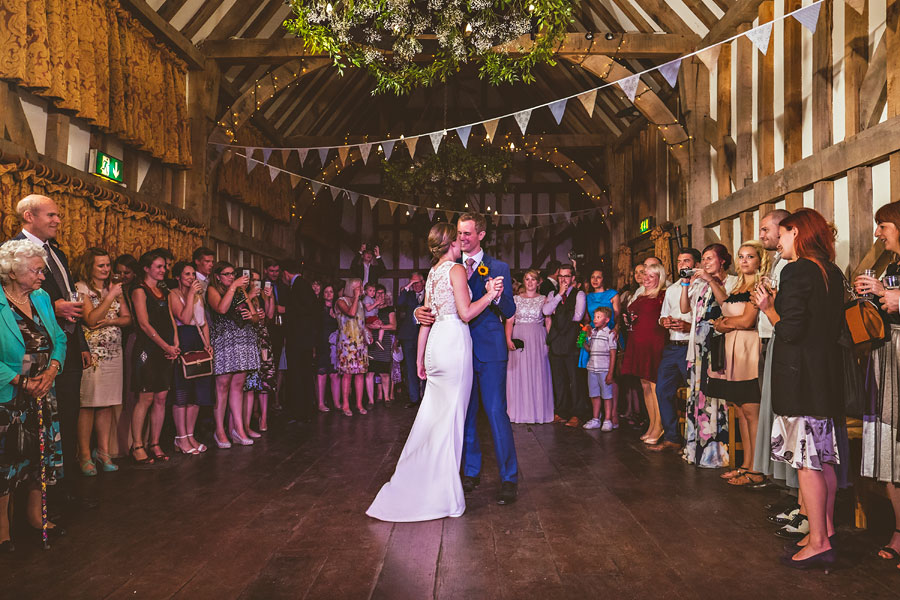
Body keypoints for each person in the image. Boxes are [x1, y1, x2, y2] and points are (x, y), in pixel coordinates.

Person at [367, 222, 503, 521]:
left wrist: (419, 358)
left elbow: (426, 319)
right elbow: (466, 313)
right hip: (454, 343)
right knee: (450, 420)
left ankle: (421, 481)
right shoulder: (454, 270)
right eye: (459, 238)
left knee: (433, 417)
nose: (462, 240)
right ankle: (442, 494)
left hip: (435, 347)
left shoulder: (432, 274)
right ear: (452, 242)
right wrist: (491, 293)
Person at [755, 208, 844, 571]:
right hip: (824, 374)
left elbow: (790, 330)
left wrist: (768, 308)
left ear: (797, 233)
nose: (779, 240)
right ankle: (826, 531)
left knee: (808, 463)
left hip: (800, 377)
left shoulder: (797, 270)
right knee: (823, 458)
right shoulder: (831, 271)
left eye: (784, 233)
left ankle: (819, 542)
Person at [415, 213, 519, 505]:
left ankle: (509, 478)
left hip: (489, 352)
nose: (462, 238)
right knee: (465, 413)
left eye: (468, 233)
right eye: (459, 233)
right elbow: (432, 304)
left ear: (481, 235)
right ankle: (470, 472)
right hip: (457, 352)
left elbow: (510, 309)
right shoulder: (449, 265)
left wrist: (495, 295)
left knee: (497, 413)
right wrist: (417, 313)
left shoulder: (498, 267)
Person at [13, 195, 92, 511]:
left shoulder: (58, 253)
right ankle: (32, 503)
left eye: (59, 215)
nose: (58, 220)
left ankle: (64, 492)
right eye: (52, 215)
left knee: (68, 418)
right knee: (37, 425)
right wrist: (48, 306)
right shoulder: (13, 251)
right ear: (29, 216)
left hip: (66, 347)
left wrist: (80, 344)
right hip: (33, 353)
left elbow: (70, 302)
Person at [0, 240, 68, 550]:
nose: (43, 277)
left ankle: (34, 517)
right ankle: (3, 528)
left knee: (38, 458)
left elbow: (60, 339)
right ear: (13, 271)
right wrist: (20, 381)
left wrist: (52, 370)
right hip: (8, 395)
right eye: (37, 271)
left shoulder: (41, 297)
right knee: (6, 459)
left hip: (43, 390)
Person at [858, 201, 900, 565]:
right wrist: (873, 299)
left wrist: (894, 297)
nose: (877, 232)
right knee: (890, 448)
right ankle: (899, 530)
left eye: (883, 225)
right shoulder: (894, 264)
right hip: (887, 354)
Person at [711, 242, 768, 486]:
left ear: (759, 260)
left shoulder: (760, 285)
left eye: (750, 257)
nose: (744, 261)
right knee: (741, 411)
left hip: (749, 348)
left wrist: (724, 323)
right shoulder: (736, 285)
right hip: (733, 351)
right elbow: (727, 309)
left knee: (752, 411)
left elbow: (747, 321)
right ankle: (746, 464)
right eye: (741, 257)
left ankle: (757, 469)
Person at [74, 248, 131, 475]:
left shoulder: (115, 288)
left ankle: (104, 452)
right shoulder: (82, 289)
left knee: (107, 403)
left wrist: (111, 322)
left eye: (108, 265)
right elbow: (90, 319)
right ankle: (85, 454)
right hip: (92, 352)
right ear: (90, 266)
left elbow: (128, 319)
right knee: (88, 404)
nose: (106, 269)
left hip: (114, 352)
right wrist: (109, 298)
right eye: (101, 265)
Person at [680, 244, 737, 468]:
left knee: (715, 398)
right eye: (703, 259)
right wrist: (686, 284)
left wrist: (711, 280)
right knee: (698, 397)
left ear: (722, 260)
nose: (705, 263)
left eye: (710, 258)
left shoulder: (730, 282)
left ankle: (717, 451)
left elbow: (726, 305)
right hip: (698, 347)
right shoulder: (700, 285)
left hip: (717, 347)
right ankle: (697, 449)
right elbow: (685, 309)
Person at [753, 209, 798, 492]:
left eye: (767, 230)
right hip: (772, 336)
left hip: (784, 339)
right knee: (772, 413)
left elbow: (789, 311)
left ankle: (794, 490)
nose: (763, 236)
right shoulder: (777, 260)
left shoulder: (794, 265)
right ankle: (786, 485)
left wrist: (769, 302)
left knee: (783, 414)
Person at [649, 248, 701, 453]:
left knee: (695, 393)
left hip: (691, 344)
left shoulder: (701, 286)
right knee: (663, 390)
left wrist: (689, 327)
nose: (682, 265)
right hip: (672, 347)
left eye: (686, 261)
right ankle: (672, 437)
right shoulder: (672, 289)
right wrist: (665, 322)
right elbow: (661, 316)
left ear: (695, 263)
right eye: (679, 261)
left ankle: (694, 441)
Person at [130, 251, 179, 463]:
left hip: (167, 347)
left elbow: (170, 318)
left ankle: (155, 442)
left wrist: (175, 343)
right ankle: (137, 444)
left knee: (161, 397)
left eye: (164, 267)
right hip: (147, 348)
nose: (163, 270)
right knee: (145, 397)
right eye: (159, 267)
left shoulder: (164, 291)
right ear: (146, 268)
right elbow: (143, 323)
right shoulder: (139, 290)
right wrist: (165, 345)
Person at [207, 261, 259, 448]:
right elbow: (221, 308)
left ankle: (238, 429)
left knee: (238, 385)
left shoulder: (240, 292)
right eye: (227, 274)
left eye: (233, 274)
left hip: (244, 340)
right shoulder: (213, 290)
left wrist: (250, 316)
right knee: (222, 386)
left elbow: (255, 316)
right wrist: (234, 287)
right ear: (218, 276)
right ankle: (219, 430)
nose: (231, 277)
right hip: (225, 342)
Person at [168, 261, 212, 454]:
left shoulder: (198, 296)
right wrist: (191, 294)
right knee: (182, 392)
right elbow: (185, 319)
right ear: (178, 277)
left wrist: (208, 344)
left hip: (198, 339)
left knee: (197, 392)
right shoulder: (173, 295)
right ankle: (181, 437)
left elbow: (203, 322)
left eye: (193, 274)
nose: (191, 278)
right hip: (183, 338)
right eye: (187, 274)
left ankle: (191, 434)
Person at [621, 263, 667, 444]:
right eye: (644, 275)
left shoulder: (662, 295)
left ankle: (659, 425)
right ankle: (651, 424)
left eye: (651, 276)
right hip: (637, 341)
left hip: (653, 342)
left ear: (659, 277)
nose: (646, 278)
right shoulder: (640, 293)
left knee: (654, 384)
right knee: (645, 385)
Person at [505, 269, 553, 424]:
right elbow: (509, 321)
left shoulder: (544, 299)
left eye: (533, 279)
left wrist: (549, 341)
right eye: (527, 279)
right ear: (523, 282)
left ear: (538, 282)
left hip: (538, 338)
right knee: (519, 372)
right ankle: (519, 411)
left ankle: (538, 412)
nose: (530, 282)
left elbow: (548, 321)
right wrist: (508, 339)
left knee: (538, 373)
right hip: (519, 336)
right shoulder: (515, 299)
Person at [543, 264, 588, 428]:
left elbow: (577, 316)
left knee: (575, 379)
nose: (563, 279)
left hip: (572, 340)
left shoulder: (580, 294)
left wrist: (559, 312)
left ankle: (578, 413)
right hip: (556, 341)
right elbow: (546, 311)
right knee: (559, 379)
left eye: (567, 276)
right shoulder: (552, 293)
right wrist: (559, 296)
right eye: (561, 276)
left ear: (573, 278)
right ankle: (562, 412)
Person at [577, 266, 621, 429]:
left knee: (610, 378)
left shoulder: (613, 294)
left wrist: (616, 329)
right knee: (594, 378)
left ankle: (612, 415)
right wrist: (585, 331)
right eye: (593, 277)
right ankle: (597, 416)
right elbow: (587, 318)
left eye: (599, 277)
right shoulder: (588, 297)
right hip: (594, 335)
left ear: (604, 279)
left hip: (610, 334)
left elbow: (617, 316)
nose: (595, 280)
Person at [281, 260, 319, 423]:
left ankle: (299, 412)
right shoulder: (304, 285)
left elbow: (305, 310)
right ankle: (307, 410)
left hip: (298, 339)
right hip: (305, 339)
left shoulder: (298, 286)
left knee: (297, 374)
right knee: (304, 374)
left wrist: (284, 310)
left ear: (285, 273)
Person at [243, 268, 275, 437]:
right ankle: (245, 422)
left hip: (263, 339)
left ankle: (263, 418)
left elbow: (269, 315)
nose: (255, 283)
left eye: (257, 280)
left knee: (265, 378)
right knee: (249, 381)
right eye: (252, 280)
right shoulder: (242, 297)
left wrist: (269, 297)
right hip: (248, 339)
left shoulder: (261, 297)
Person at [335, 278, 369, 416]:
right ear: (351, 288)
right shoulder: (340, 301)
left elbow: (360, 321)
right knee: (347, 375)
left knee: (360, 374)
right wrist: (355, 297)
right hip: (347, 344)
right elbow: (351, 313)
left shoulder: (360, 303)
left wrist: (367, 332)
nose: (361, 289)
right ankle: (345, 405)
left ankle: (359, 404)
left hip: (360, 343)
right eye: (358, 287)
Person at [617, 263, 645, 425]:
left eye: (642, 272)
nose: (638, 275)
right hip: (628, 335)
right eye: (636, 272)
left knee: (642, 377)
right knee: (630, 377)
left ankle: (642, 413)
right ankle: (631, 410)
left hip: (642, 336)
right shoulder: (629, 294)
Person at [582, 307, 618, 431]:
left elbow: (613, 354)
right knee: (594, 394)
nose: (594, 319)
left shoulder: (610, 334)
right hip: (592, 369)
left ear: (607, 320)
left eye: (598, 317)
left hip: (604, 370)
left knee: (607, 395)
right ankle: (596, 418)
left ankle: (608, 419)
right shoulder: (593, 333)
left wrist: (610, 373)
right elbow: (590, 349)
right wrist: (583, 342)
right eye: (594, 317)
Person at [396, 273, 425, 407]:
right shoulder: (407, 294)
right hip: (409, 337)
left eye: (417, 282)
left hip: (426, 336)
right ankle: (414, 398)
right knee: (410, 368)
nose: (415, 286)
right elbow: (399, 303)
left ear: (423, 282)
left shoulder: (430, 293)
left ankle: (426, 398)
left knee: (426, 367)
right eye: (413, 283)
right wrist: (407, 286)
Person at [366, 284, 397, 408]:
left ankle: (387, 398)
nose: (380, 295)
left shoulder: (389, 309)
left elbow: (393, 326)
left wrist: (380, 327)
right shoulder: (370, 308)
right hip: (371, 342)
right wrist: (369, 327)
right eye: (377, 293)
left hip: (384, 342)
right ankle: (371, 401)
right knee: (370, 373)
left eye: (382, 293)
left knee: (385, 373)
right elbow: (363, 323)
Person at [315, 283, 340, 412]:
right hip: (322, 343)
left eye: (331, 291)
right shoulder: (319, 308)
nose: (329, 294)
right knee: (322, 373)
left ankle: (337, 403)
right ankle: (320, 403)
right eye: (326, 292)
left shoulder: (338, 308)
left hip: (335, 344)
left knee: (335, 374)